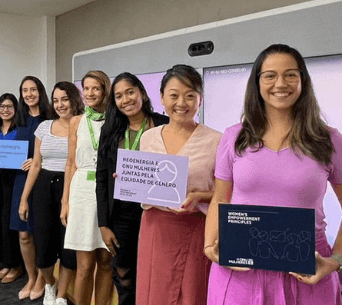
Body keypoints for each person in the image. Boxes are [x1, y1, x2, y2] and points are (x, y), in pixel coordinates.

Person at [204, 44, 342, 305]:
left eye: (291, 74)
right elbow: (220, 199)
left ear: (303, 80)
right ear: (257, 82)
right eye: (270, 75)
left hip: (306, 270)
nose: (281, 83)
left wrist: (335, 261)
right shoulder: (234, 136)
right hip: (240, 268)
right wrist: (210, 245)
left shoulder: (329, 139)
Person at [136, 65, 221, 305]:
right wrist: (129, 180)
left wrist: (201, 196)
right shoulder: (148, 137)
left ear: (200, 100)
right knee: (154, 291)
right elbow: (146, 182)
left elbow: (227, 192)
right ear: (162, 98)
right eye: (173, 95)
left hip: (196, 227)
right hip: (155, 228)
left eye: (190, 95)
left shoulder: (217, 140)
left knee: (192, 293)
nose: (181, 102)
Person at [96, 72, 169, 305]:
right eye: (118, 96)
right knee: (124, 273)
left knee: (155, 273)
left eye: (130, 92)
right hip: (122, 213)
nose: (125, 99)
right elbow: (101, 179)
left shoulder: (164, 124)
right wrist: (103, 224)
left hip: (159, 210)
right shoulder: (110, 131)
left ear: (142, 93)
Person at [20, 81, 83, 305]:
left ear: (74, 99)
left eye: (64, 99)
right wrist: (24, 198)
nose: (60, 105)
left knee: (68, 247)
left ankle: (61, 295)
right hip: (43, 188)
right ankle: (49, 283)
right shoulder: (44, 127)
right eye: (56, 100)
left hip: (72, 188)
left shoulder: (83, 126)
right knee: (44, 249)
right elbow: (36, 165)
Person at [61, 71, 113, 305]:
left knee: (105, 260)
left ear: (105, 90)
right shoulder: (76, 121)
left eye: (96, 88)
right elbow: (71, 162)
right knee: (84, 264)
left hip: (109, 192)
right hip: (81, 190)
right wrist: (65, 202)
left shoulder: (115, 119)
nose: (90, 93)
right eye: (87, 88)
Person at [10, 76, 53, 301]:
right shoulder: (19, 118)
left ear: (40, 92)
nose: (29, 94)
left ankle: (42, 278)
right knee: (24, 233)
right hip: (20, 181)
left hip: (43, 180)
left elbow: (58, 150)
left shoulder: (51, 117)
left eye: (33, 89)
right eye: (24, 90)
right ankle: (31, 276)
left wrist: (37, 161)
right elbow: (9, 148)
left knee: (41, 232)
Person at [0, 93, 24, 284]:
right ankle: (6, 262)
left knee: (9, 221)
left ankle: (16, 264)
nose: (5, 110)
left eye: (9, 106)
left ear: (15, 109)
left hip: (14, 178)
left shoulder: (21, 129)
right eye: (2, 106)